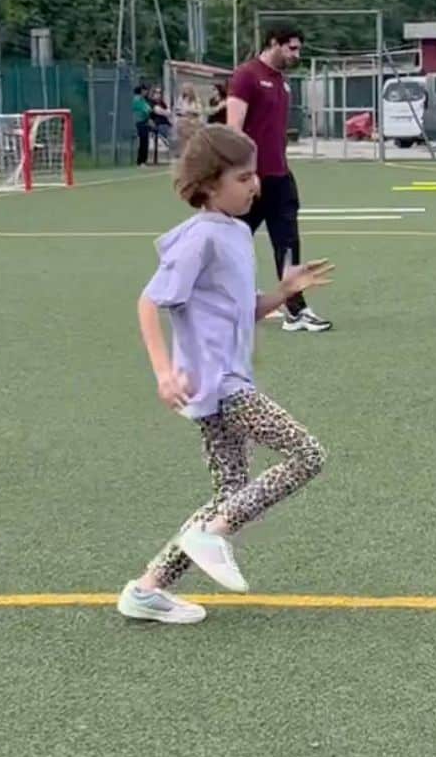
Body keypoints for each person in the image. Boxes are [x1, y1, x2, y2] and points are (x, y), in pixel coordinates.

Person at [118, 125, 334, 625]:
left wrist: (284, 293)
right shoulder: (199, 238)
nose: (255, 185)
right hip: (219, 385)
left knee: (228, 494)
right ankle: (212, 535)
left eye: (254, 174)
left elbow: (242, 311)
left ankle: (147, 589)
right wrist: (163, 371)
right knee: (307, 454)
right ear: (210, 184)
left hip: (227, 383)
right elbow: (149, 302)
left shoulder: (235, 232)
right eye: (243, 177)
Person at [228, 25, 333, 332]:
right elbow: (233, 129)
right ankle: (218, 299)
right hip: (251, 180)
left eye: (298, 49)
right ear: (274, 43)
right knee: (230, 241)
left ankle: (295, 309)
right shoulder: (247, 76)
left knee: (287, 242)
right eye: (292, 48)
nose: (296, 55)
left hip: (279, 177)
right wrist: (246, 174)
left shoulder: (281, 83)